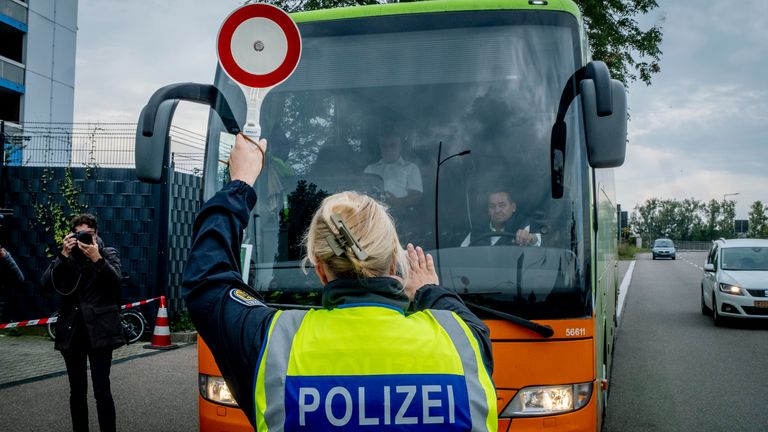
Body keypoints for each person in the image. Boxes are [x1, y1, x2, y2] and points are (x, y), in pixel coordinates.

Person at [183, 133, 498, 431]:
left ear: (320, 270)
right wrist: (430, 290)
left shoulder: (273, 343)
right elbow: (466, 322)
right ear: (393, 262)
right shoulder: (462, 341)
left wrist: (241, 183)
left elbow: (207, 282)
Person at [40, 214, 123, 432]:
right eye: (80, 234)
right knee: (77, 392)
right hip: (73, 332)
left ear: (96, 233)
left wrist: (98, 259)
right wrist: (63, 255)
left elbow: (116, 284)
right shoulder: (67, 258)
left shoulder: (108, 253)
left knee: (102, 390)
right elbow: (45, 285)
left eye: (89, 233)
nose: (84, 238)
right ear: (72, 235)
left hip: (100, 333)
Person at [461, 190, 541, 247]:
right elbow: (462, 253)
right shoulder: (478, 229)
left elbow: (536, 241)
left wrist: (531, 238)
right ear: (487, 210)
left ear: (513, 207)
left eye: (502, 205)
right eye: (492, 206)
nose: (497, 210)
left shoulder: (523, 224)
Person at [364, 135, 423, 209]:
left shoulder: (411, 168)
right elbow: (361, 192)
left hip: (402, 215)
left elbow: (416, 196)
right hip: (373, 212)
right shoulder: (370, 169)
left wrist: (399, 202)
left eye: (393, 145)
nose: (388, 149)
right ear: (380, 148)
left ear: (400, 147)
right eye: (384, 146)